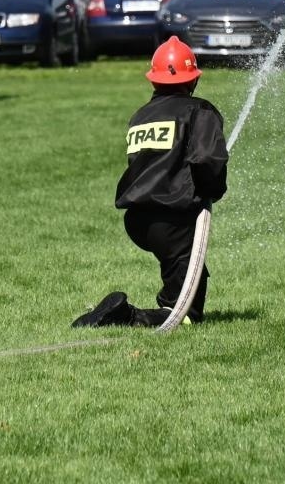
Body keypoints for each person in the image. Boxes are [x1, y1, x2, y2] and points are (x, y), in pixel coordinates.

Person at [74, 37, 229, 328]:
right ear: (193, 79)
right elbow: (208, 159)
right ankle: (125, 316)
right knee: (184, 315)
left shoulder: (140, 115)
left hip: (138, 219)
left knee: (189, 273)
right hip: (172, 219)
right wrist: (212, 190)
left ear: (154, 80)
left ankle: (145, 306)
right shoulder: (200, 110)